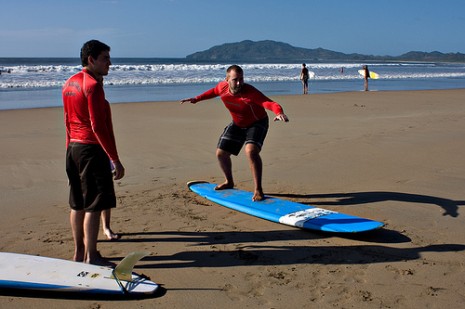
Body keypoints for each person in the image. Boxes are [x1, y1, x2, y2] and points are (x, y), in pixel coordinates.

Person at [181, 65, 289, 201]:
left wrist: (279, 113)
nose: (239, 83)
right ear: (227, 79)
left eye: (241, 79)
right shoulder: (222, 88)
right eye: (235, 79)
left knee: (250, 151)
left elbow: (268, 103)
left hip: (257, 123)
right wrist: (197, 99)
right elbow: (214, 91)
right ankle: (229, 181)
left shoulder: (250, 92)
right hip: (238, 123)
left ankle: (258, 190)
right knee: (221, 153)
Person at [62, 40, 125, 265]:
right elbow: (98, 126)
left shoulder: (69, 83)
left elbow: (67, 122)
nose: (110, 63)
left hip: (73, 149)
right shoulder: (93, 85)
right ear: (91, 60)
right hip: (91, 149)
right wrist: (114, 159)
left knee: (77, 203)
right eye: (105, 58)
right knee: (94, 205)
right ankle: (92, 255)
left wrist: (70, 150)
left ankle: (79, 252)